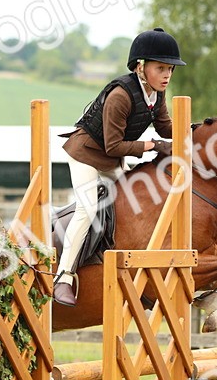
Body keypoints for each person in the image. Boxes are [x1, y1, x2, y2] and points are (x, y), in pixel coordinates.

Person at [52, 27, 185, 306]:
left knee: (133, 198)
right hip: (86, 153)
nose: (167, 75)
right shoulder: (121, 95)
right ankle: (64, 277)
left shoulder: (156, 95)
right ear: (140, 67)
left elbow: (165, 127)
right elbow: (113, 146)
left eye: (170, 69)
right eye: (161, 68)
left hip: (110, 159)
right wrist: (152, 146)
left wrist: (195, 132)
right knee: (87, 208)